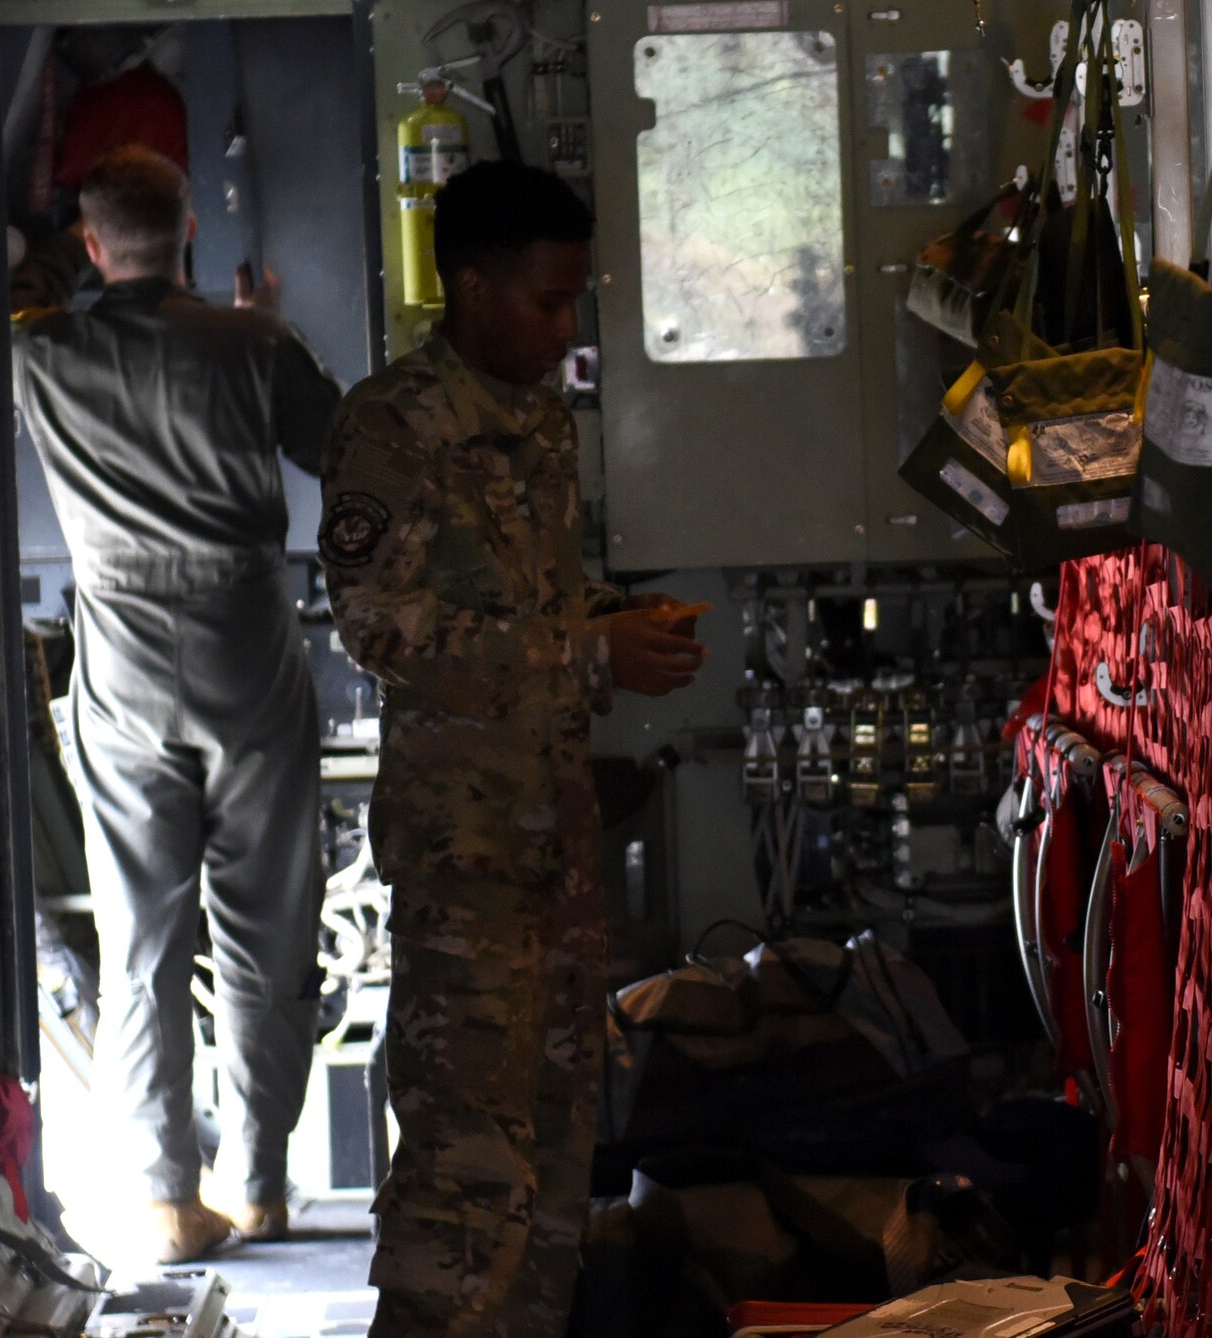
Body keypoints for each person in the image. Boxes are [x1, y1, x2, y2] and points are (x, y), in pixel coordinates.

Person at [318, 160, 705, 1337]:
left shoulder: (536, 419)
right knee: (462, 1181)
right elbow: (382, 628)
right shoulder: (392, 428)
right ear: (471, 289)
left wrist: (603, 617)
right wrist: (589, 657)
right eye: (545, 302)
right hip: (469, 858)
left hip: (556, 850)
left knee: (548, 1167)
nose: (564, 326)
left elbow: (514, 599)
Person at [13, 145, 340, 1264]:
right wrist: (253, 331)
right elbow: (340, 446)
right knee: (268, 923)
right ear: (192, 225)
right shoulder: (252, 340)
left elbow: (21, 285)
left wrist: (71, 256)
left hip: (124, 655)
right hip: (249, 641)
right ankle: (258, 1183)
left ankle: (159, 1195)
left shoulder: (41, 351)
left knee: (141, 935)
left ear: (95, 245)